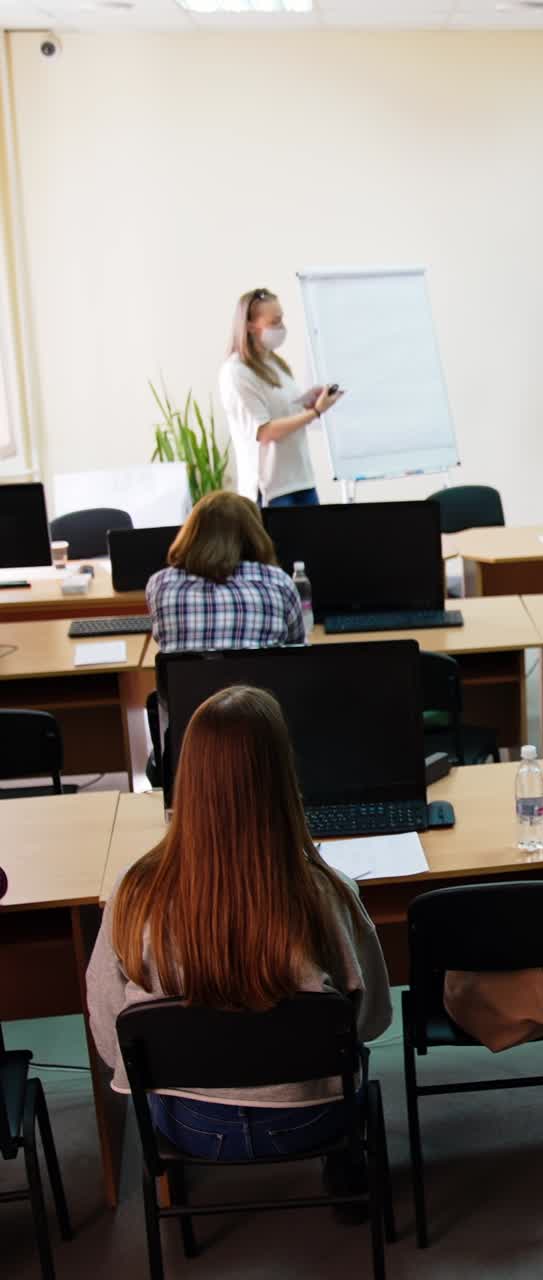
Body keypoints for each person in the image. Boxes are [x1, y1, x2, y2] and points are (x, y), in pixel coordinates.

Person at [87, 685, 392, 1173]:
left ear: (188, 775)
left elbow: (109, 1035)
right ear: (281, 775)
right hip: (310, 1120)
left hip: (188, 1124)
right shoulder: (327, 893)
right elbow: (372, 1018)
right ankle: (346, 1186)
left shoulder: (132, 892)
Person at [219, 286, 343, 508]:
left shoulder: (276, 364)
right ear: (249, 326)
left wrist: (309, 403)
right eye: (274, 322)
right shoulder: (236, 371)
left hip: (301, 479)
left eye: (281, 320)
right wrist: (315, 412)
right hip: (272, 488)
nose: (281, 327)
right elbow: (265, 431)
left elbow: (284, 413)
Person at [146, 490, 304, 652]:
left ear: (192, 533)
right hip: (258, 677)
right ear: (253, 533)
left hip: (188, 678)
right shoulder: (278, 582)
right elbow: (296, 649)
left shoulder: (160, 584)